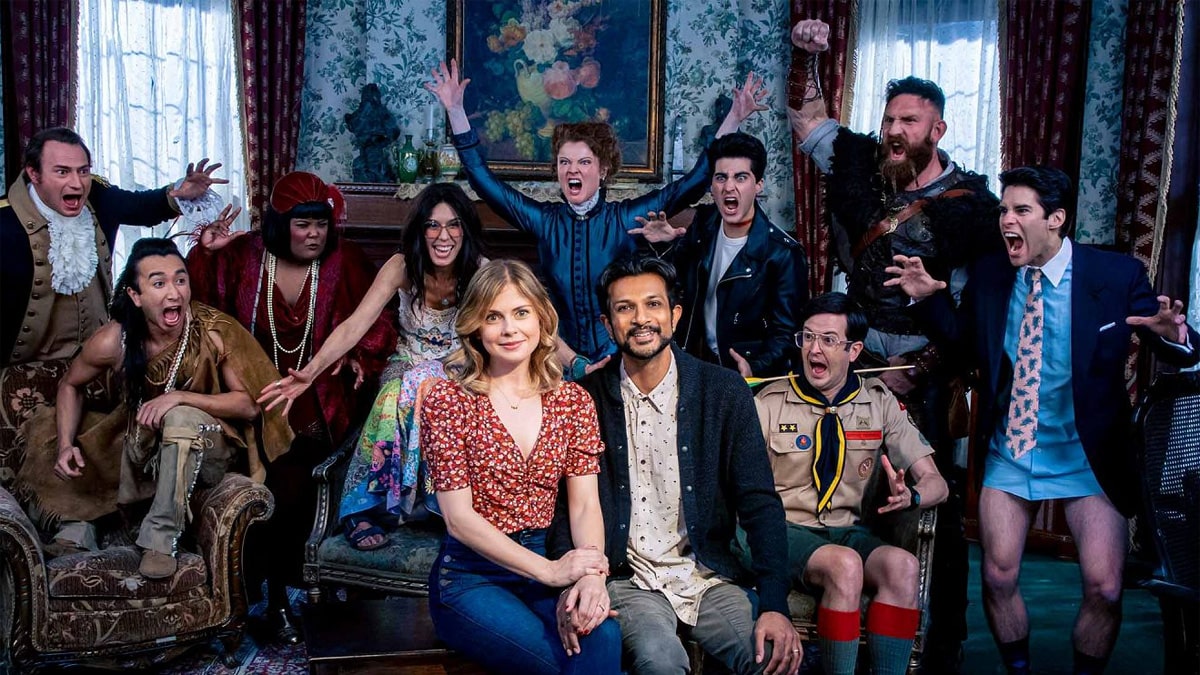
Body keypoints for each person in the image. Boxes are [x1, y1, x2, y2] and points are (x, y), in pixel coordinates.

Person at [885, 166, 1199, 675]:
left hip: (1088, 454)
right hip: (1012, 448)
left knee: (1105, 588)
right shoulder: (991, 274)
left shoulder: (1114, 275)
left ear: (1055, 219)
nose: (1006, 220)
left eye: (1021, 210)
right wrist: (928, 297)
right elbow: (965, 346)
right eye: (1003, 210)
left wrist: (1175, 336)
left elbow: (1169, 341)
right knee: (997, 577)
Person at [789, 21, 1003, 669]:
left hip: (925, 376)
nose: (894, 130)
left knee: (931, 509)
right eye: (889, 118)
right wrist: (806, 56)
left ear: (937, 130)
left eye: (909, 121)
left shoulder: (972, 208)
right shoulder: (860, 167)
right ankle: (854, 633)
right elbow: (807, 121)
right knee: (846, 497)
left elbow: (974, 316)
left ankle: (939, 645)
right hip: (855, 370)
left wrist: (927, 365)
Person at [426, 60, 767, 375]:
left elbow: (692, 183)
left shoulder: (625, 218)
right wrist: (455, 111)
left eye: (584, 162)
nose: (572, 170)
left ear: (603, 170)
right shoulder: (545, 221)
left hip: (622, 360)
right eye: (564, 162)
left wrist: (734, 118)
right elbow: (485, 183)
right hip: (558, 361)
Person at [551, 255, 803, 675]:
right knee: (661, 663)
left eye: (653, 304)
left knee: (771, 659)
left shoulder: (723, 391)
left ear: (675, 314)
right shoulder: (585, 398)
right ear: (608, 324)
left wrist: (775, 605)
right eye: (625, 308)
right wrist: (574, 581)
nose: (640, 319)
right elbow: (564, 506)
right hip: (629, 578)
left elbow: (760, 503)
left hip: (707, 576)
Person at [187, 171, 395, 642]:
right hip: (250, 402)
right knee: (253, 477)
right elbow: (197, 303)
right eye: (303, 225)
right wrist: (206, 251)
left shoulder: (346, 261)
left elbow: (379, 319)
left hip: (317, 408)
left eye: (321, 224)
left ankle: (280, 597)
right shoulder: (243, 255)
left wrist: (358, 357)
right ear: (281, 225)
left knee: (290, 480)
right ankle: (252, 600)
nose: (314, 234)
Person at [15, 238, 291, 579]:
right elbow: (70, 385)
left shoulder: (215, 330)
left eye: (180, 280)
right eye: (159, 283)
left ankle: (161, 538)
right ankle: (81, 528)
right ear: (135, 295)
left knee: (180, 417)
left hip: (210, 444)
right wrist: (65, 445)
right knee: (58, 432)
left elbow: (250, 406)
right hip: (144, 443)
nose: (174, 293)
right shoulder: (115, 340)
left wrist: (179, 397)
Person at [416, 259, 621, 674]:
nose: (509, 329)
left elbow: (584, 505)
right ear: (476, 326)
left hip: (545, 561)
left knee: (603, 638)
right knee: (556, 663)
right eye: (494, 316)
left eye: (521, 313)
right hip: (472, 575)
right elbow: (459, 520)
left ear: (542, 319)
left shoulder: (572, 402)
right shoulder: (449, 402)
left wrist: (590, 576)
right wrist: (551, 571)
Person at [259, 182, 487, 553]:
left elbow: (530, 316)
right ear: (420, 231)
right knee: (393, 396)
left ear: (466, 230)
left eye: (453, 225)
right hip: (407, 362)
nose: (443, 236)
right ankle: (363, 510)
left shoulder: (480, 271)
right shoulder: (401, 265)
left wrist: (573, 362)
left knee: (441, 397)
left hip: (458, 371)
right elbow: (355, 324)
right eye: (432, 225)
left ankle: (444, 508)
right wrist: (310, 373)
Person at [754, 292, 948, 675]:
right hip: (781, 530)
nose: (814, 349)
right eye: (808, 337)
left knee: (903, 567)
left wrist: (912, 495)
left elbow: (937, 483)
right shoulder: (768, 402)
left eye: (829, 340)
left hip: (846, 532)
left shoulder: (879, 402)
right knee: (845, 566)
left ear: (853, 350)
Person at [1, 127, 226, 368]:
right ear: (34, 174)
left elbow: (141, 207)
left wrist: (181, 193)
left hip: (96, 358)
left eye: (83, 171)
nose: (77, 183)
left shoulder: (97, 196)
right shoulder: (5, 223)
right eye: (62, 172)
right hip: (23, 368)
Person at [635, 131, 808, 378]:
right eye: (721, 177)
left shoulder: (783, 253)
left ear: (758, 185)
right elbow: (673, 285)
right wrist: (666, 244)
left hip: (745, 371)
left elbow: (787, 333)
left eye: (740, 177)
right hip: (696, 360)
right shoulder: (702, 227)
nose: (729, 187)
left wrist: (755, 368)